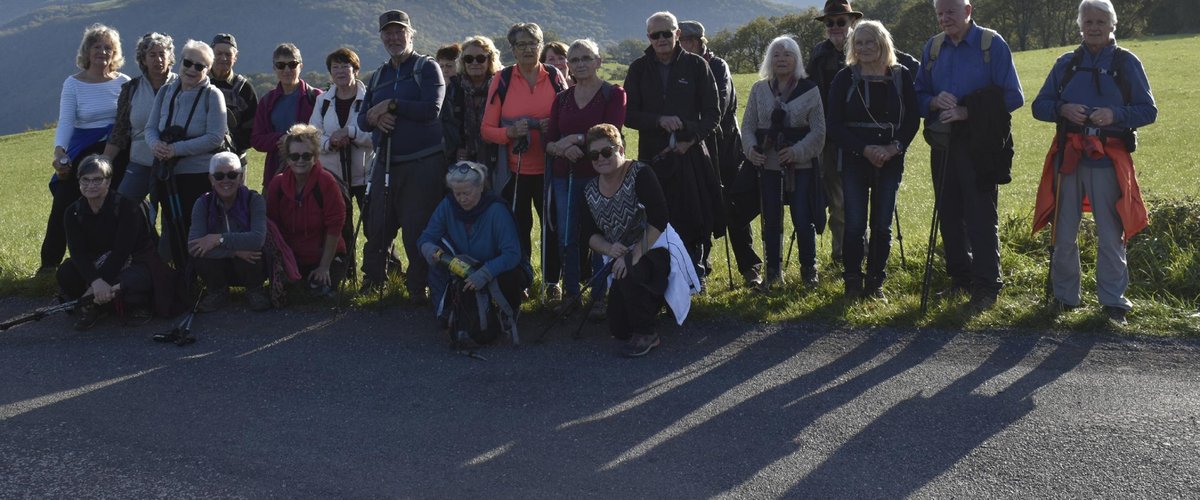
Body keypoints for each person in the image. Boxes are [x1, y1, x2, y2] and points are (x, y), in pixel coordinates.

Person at [1031, 0, 1156, 325]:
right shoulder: (1066, 63)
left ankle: (1114, 303)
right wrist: (1061, 109)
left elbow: (1148, 111)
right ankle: (1064, 299)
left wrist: (1115, 115)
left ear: (1113, 25)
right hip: (1068, 157)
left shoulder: (1126, 63)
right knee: (1063, 231)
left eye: (1101, 21)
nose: (1095, 27)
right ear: (1080, 25)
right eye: (1089, 21)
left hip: (1108, 159)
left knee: (1111, 232)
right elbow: (1039, 105)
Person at [915, 0, 1023, 310]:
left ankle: (987, 286)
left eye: (950, 11)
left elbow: (1014, 97)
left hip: (982, 144)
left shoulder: (991, 44)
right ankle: (960, 282)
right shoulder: (933, 48)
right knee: (948, 214)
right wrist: (935, 101)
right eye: (939, 13)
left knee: (980, 216)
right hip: (944, 144)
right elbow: (918, 93)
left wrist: (967, 111)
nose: (944, 18)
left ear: (968, 10)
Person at [624, 11, 724, 284]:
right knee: (657, 217)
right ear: (648, 38)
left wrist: (690, 138)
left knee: (695, 215)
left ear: (677, 34)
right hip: (653, 159)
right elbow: (628, 114)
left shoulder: (696, 66)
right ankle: (661, 278)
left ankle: (695, 275)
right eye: (655, 35)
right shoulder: (638, 69)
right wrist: (658, 121)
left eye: (666, 33)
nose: (661, 39)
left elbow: (713, 114)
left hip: (690, 154)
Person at [581, 124, 697, 357]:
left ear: (621, 149)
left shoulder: (641, 174)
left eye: (606, 152)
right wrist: (609, 248)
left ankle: (648, 333)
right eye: (594, 155)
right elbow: (587, 234)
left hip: (656, 246)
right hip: (620, 253)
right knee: (619, 328)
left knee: (629, 270)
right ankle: (647, 307)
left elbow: (659, 218)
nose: (600, 159)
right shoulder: (590, 190)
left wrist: (632, 256)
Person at [826, 21, 919, 301]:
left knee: (882, 224)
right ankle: (852, 281)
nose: (864, 48)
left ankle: (876, 282)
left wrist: (894, 147)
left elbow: (912, 120)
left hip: (891, 159)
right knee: (854, 224)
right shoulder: (844, 78)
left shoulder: (901, 76)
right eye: (859, 43)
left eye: (870, 42)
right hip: (855, 159)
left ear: (883, 44)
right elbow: (834, 125)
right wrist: (865, 149)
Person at [357, 10, 446, 300]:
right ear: (381, 37)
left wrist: (392, 105)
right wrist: (376, 117)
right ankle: (372, 284)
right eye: (388, 34)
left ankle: (417, 289)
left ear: (411, 34)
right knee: (377, 226)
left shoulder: (426, 68)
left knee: (416, 230)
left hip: (422, 164)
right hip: (385, 163)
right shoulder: (378, 75)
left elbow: (432, 109)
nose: (394, 38)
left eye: (400, 32)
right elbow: (362, 120)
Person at [481, 22, 568, 301]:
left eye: (534, 43)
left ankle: (553, 282)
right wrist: (510, 133)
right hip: (514, 173)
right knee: (517, 230)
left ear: (542, 46)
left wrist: (552, 126)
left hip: (550, 169)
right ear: (513, 49)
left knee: (551, 228)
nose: (529, 49)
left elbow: (567, 119)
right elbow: (486, 130)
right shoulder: (502, 79)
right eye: (522, 44)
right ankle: (522, 281)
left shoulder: (555, 77)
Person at [544, 38, 627, 318]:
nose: (579, 64)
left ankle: (600, 297)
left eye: (586, 58)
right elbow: (549, 141)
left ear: (598, 62)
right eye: (575, 59)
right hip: (563, 175)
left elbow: (611, 132)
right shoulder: (562, 99)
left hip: (601, 176)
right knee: (567, 237)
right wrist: (561, 147)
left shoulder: (613, 94)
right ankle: (571, 293)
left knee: (601, 237)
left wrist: (576, 139)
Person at [679, 20, 763, 288]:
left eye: (688, 41)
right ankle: (701, 268)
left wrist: (692, 122)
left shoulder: (717, 66)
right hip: (697, 146)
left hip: (725, 148)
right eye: (681, 41)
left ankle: (750, 267)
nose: (684, 46)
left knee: (734, 207)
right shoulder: (681, 68)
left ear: (700, 42)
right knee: (699, 205)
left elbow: (720, 105)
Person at [43, 23, 131, 275]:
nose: (102, 52)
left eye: (108, 48)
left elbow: (127, 121)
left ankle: (117, 257)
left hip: (117, 149)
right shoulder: (73, 84)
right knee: (64, 199)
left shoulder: (124, 82)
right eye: (97, 47)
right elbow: (67, 121)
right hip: (82, 148)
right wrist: (60, 152)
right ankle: (49, 264)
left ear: (115, 53)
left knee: (117, 201)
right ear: (87, 51)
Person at [741, 35, 827, 291]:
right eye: (776, 54)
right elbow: (747, 127)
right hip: (767, 164)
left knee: (803, 218)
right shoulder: (759, 90)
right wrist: (751, 151)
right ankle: (773, 273)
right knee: (771, 220)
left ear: (797, 59)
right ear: (769, 59)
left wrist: (797, 151)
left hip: (801, 167)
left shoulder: (810, 89)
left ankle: (809, 272)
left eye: (787, 54)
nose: (781, 59)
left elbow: (819, 130)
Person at [418, 161, 529, 347]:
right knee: (436, 264)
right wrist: (431, 250)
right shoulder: (448, 205)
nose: (461, 199)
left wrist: (485, 273)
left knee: (509, 275)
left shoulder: (497, 210)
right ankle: (446, 316)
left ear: (480, 187)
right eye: (457, 193)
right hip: (464, 267)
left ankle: (508, 312)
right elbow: (425, 238)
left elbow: (512, 254)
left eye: (466, 193)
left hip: (497, 268)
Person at [144, 39, 228, 269]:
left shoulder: (213, 96)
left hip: (198, 175)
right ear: (180, 63)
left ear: (207, 70)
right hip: (168, 175)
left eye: (199, 66)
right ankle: (181, 275)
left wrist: (175, 149)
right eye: (188, 62)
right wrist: (156, 145)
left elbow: (215, 137)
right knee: (173, 226)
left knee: (198, 227)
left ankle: (206, 275)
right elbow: (150, 128)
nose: (192, 69)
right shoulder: (165, 92)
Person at [57, 155, 156, 330]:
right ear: (79, 181)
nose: (90, 185)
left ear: (108, 181)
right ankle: (101, 302)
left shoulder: (127, 207)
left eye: (97, 180)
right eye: (85, 180)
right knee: (66, 272)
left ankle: (95, 303)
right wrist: (96, 282)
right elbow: (78, 253)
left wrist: (95, 285)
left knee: (136, 281)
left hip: (129, 262)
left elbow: (122, 252)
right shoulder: (72, 212)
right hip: (95, 264)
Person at [265, 124, 348, 297]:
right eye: (294, 156)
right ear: (287, 159)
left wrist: (324, 267)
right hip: (292, 256)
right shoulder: (277, 185)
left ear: (316, 157)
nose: (300, 161)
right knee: (291, 292)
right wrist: (281, 263)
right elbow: (272, 227)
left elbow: (335, 225)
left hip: (324, 254)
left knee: (320, 291)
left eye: (306, 155)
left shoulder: (327, 182)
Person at [188, 152, 269, 312]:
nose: (226, 180)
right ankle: (217, 291)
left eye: (232, 175)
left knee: (254, 251)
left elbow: (257, 239)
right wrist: (234, 251)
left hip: (249, 263)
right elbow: (193, 246)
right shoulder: (202, 203)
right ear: (211, 179)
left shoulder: (255, 200)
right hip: (221, 263)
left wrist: (218, 239)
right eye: (219, 176)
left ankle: (254, 290)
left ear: (240, 177)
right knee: (202, 254)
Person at [105, 32, 177, 203]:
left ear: (170, 57)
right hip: (140, 164)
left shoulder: (183, 85)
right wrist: (103, 161)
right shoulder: (131, 89)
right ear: (143, 59)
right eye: (152, 55)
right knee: (122, 207)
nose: (158, 59)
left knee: (173, 219)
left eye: (162, 54)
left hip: (175, 165)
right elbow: (120, 130)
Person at [309, 48, 373, 213]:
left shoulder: (371, 99)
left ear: (356, 70)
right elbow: (312, 135)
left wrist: (350, 133)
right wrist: (330, 142)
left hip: (366, 178)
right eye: (335, 67)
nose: (340, 71)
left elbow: (376, 135)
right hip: (332, 177)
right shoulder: (321, 100)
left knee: (374, 227)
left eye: (345, 66)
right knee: (339, 230)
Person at [252, 43, 322, 188]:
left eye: (292, 64)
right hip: (276, 173)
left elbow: (325, 134)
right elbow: (256, 140)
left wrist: (291, 140)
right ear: (274, 68)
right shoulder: (266, 101)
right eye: (281, 65)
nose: (287, 70)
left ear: (301, 66)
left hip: (311, 174)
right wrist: (279, 139)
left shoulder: (317, 98)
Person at [452, 36, 503, 169]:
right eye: (469, 59)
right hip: (461, 162)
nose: (474, 63)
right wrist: (457, 147)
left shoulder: (501, 87)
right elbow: (448, 124)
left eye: (480, 58)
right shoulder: (454, 88)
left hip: (497, 158)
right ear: (463, 62)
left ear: (490, 60)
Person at [210, 34, 259, 167]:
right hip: (200, 161)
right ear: (210, 54)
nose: (223, 58)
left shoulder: (244, 88)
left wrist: (231, 146)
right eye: (218, 53)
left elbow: (253, 127)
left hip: (235, 161)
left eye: (228, 54)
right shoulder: (198, 83)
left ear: (235, 58)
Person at [437, 43, 464, 165]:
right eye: (441, 66)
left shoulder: (462, 88)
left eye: (449, 66)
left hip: (458, 148)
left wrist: (463, 145)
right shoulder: (435, 88)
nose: (444, 70)